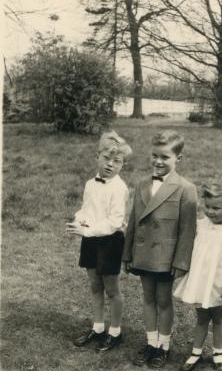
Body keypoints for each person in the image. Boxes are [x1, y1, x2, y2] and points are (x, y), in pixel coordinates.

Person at [122, 130, 197, 369]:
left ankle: (163, 345)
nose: (158, 161)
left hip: (165, 257)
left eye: (165, 157)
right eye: (154, 155)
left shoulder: (186, 189)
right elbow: (133, 221)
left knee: (163, 300)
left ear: (179, 159)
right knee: (147, 298)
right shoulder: (142, 183)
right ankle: (151, 342)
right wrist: (127, 253)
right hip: (143, 254)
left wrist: (181, 261)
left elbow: (188, 230)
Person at [66, 130, 132, 352]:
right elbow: (87, 209)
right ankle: (98, 328)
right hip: (91, 239)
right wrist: (78, 219)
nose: (110, 165)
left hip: (110, 242)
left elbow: (114, 222)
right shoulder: (90, 184)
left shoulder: (119, 188)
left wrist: (89, 231)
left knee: (111, 289)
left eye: (117, 161)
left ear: (123, 165)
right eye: (106, 158)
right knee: (95, 286)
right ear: (97, 156)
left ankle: (115, 332)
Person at [174, 183, 222, 371]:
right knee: (202, 318)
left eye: (216, 208)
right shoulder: (199, 225)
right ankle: (196, 353)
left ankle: (218, 353)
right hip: (201, 282)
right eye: (208, 207)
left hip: (220, 283)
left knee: (219, 318)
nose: (210, 212)